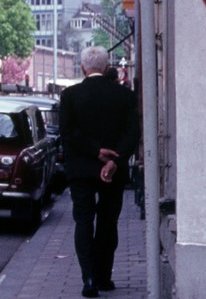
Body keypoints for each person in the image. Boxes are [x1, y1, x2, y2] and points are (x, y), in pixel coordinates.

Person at [59, 46, 139, 298]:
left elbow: (68, 133)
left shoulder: (70, 95)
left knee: (83, 221)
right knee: (107, 222)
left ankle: (89, 279)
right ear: (106, 68)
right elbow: (132, 133)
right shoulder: (124, 96)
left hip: (82, 169)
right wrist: (114, 160)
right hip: (113, 170)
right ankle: (104, 276)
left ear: (83, 67)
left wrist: (95, 152)